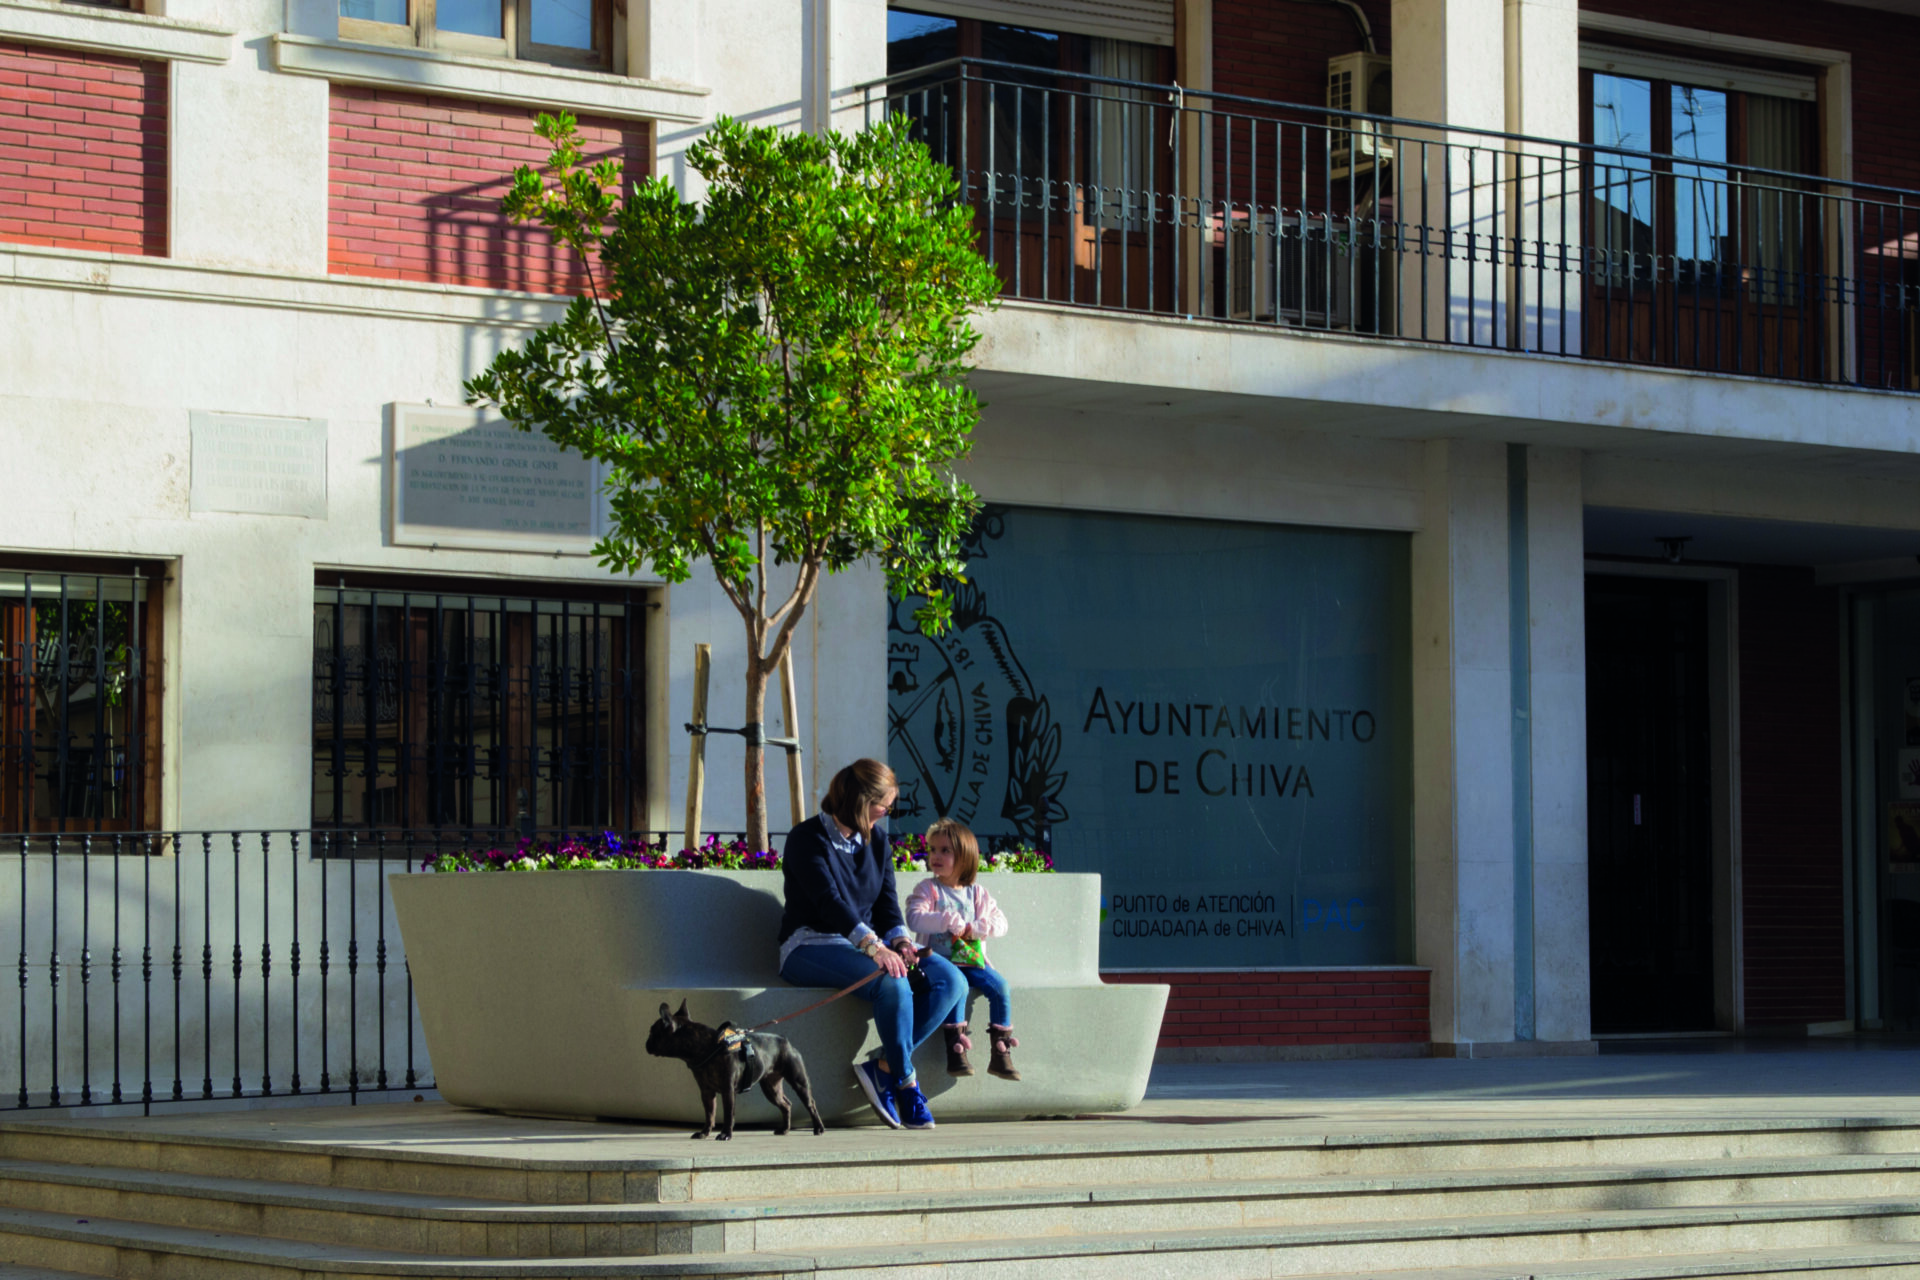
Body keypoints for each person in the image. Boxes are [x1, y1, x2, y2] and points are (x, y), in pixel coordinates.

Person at [777, 759, 964, 1130]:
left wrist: (899, 941)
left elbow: (885, 902)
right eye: (884, 805)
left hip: (869, 944)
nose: (887, 813)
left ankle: (881, 1066)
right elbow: (828, 903)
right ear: (862, 802)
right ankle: (907, 1084)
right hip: (810, 945)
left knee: (950, 981)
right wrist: (874, 947)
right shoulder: (806, 838)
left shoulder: (877, 841)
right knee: (891, 981)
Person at [905, 819, 1019, 1081]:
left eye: (945, 851)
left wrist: (980, 927)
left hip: (972, 962)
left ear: (965, 857)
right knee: (959, 988)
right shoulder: (928, 889)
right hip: (938, 964)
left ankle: (1001, 1052)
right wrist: (945, 919)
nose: (936, 856)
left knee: (1000, 986)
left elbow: (1001, 924)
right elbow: (914, 918)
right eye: (933, 850)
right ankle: (956, 1050)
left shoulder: (977, 894)